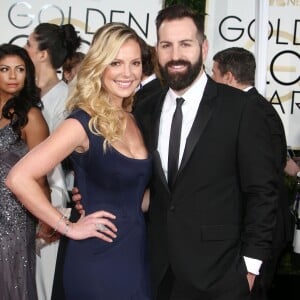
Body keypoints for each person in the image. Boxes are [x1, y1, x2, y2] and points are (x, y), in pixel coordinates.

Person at [132, 5, 279, 300]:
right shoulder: (145, 108)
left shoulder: (241, 109)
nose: (175, 55)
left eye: (185, 44)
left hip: (221, 276)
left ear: (204, 46)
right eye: (166, 45)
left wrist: (250, 268)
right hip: (158, 272)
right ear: (157, 51)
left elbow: (263, 192)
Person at [6, 22, 152, 300]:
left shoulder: (136, 119)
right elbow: (19, 178)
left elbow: (139, 196)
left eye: (134, 63)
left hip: (136, 255)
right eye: (116, 63)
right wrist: (66, 225)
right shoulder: (81, 123)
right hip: (96, 257)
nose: (128, 73)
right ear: (99, 66)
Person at [211, 46, 292, 300]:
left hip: (261, 230)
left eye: (214, 73)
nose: (211, 81)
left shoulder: (254, 110)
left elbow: (265, 180)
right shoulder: (254, 107)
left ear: (229, 77)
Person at [25, 22, 81, 300]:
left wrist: (51, 213)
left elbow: (64, 164)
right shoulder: (28, 97)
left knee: (46, 287)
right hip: (26, 204)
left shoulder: (67, 99)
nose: (25, 52)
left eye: (28, 45)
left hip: (54, 209)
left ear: (42, 54)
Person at [0, 43, 49, 300]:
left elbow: (41, 176)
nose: (12, 76)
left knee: (11, 281)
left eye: (19, 69)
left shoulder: (31, 117)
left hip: (14, 218)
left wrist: (47, 218)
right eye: (5, 69)